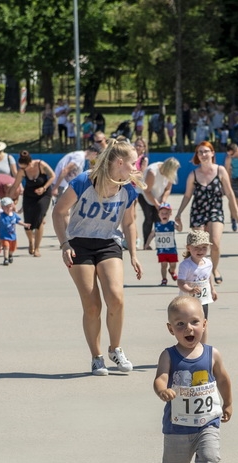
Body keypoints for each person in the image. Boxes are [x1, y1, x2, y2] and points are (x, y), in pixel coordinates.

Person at [52, 138, 143, 376]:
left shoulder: (129, 188)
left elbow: (130, 222)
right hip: (78, 244)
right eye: (134, 162)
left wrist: (133, 254)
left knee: (116, 297)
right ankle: (97, 356)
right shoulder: (84, 181)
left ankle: (116, 348)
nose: (137, 167)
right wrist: (64, 244)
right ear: (120, 162)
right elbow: (59, 212)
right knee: (92, 306)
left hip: (108, 243)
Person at [154, 295, 233, 463]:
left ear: (204, 324)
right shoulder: (168, 355)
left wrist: (228, 402)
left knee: (211, 460)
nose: (188, 328)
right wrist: (162, 390)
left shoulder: (212, 354)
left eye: (194, 322)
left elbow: (224, 379)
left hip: (207, 422)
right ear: (171, 329)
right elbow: (160, 377)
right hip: (177, 426)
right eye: (180, 324)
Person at [175, 141, 238, 284]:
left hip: (215, 209)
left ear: (212, 153)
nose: (203, 154)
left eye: (206, 151)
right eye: (200, 152)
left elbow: (229, 193)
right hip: (198, 210)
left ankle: (214, 269)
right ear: (197, 155)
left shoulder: (220, 170)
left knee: (215, 243)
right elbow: (187, 195)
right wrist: (179, 214)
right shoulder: (193, 174)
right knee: (197, 244)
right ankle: (198, 273)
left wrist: (236, 212)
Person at [8, 151, 56, 256]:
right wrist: (9, 200)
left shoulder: (40, 164)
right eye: (21, 167)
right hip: (29, 195)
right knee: (28, 222)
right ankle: (31, 241)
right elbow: (16, 185)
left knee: (39, 219)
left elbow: (52, 176)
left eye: (25, 167)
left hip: (43, 194)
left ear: (30, 163)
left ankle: (37, 248)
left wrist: (44, 188)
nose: (23, 169)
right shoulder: (22, 171)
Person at [176, 230, 218, 333]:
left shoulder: (208, 263)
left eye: (204, 247)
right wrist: (189, 290)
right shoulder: (186, 265)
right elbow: (180, 281)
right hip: (188, 301)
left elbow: (208, 277)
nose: (201, 251)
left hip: (203, 300)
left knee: (203, 324)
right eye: (197, 248)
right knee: (188, 325)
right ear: (188, 248)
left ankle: (203, 346)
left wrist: (213, 290)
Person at [139, 157, 180, 250]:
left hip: (159, 195)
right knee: (149, 218)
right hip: (145, 195)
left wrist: (163, 201)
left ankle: (160, 243)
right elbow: (147, 191)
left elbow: (168, 189)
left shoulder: (171, 173)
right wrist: (156, 204)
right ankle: (146, 244)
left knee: (159, 219)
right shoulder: (152, 172)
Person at [147, 203, 178, 285]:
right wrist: (147, 244)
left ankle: (172, 271)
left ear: (170, 214)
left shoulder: (172, 224)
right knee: (163, 265)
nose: (164, 215)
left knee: (173, 264)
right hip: (161, 249)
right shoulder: (157, 225)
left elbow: (180, 229)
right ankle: (164, 279)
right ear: (159, 214)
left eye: (166, 213)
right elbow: (151, 234)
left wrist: (179, 223)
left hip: (171, 249)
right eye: (162, 213)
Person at [0, 197, 30, 265]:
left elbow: (18, 221)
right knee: (6, 247)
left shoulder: (14, 215)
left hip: (12, 236)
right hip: (4, 236)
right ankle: (5, 259)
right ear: (2, 208)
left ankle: (10, 255)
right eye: (6, 207)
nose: (8, 209)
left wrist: (25, 224)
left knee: (12, 248)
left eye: (10, 207)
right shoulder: (1, 215)